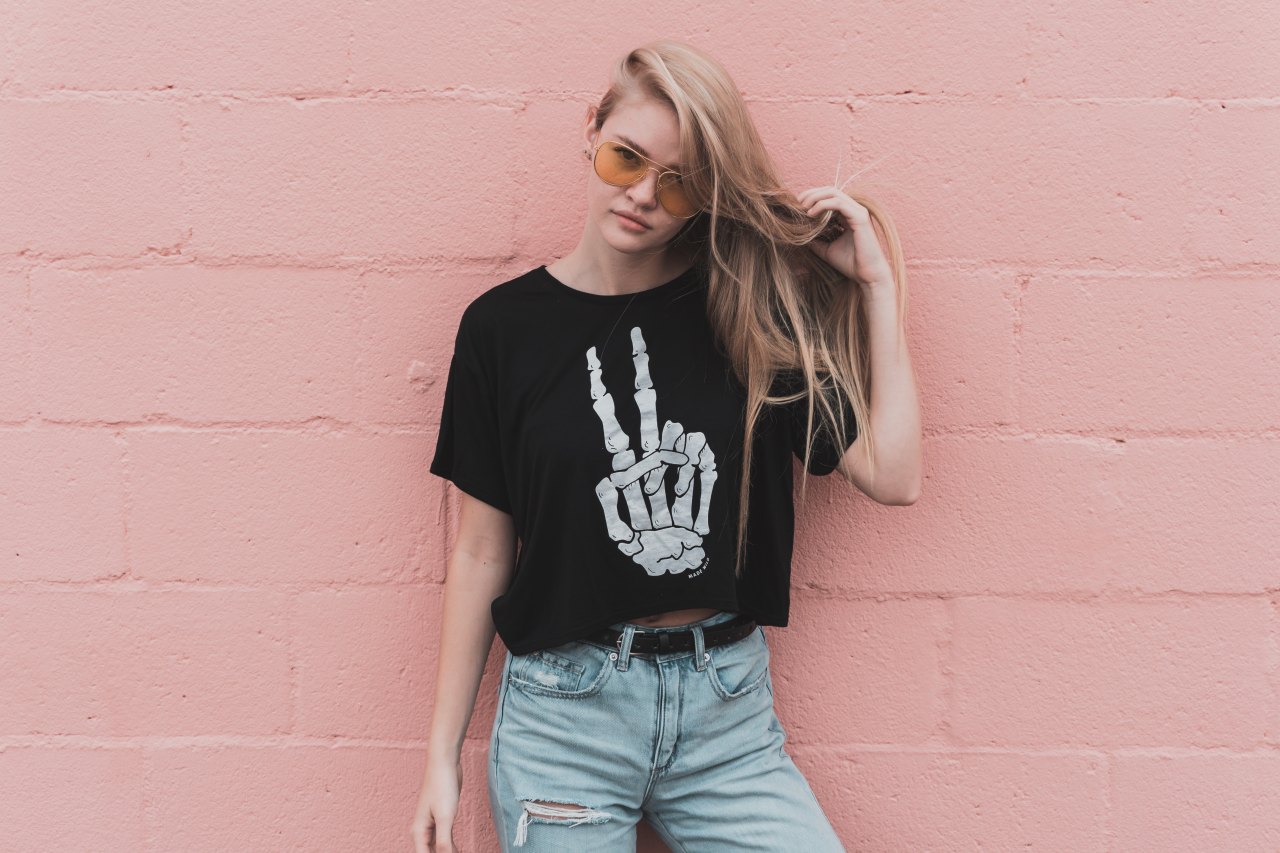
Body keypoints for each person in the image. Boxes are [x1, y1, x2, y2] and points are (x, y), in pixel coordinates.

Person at [411, 39, 922, 853]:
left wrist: (876, 287)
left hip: (727, 714)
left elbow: (895, 476)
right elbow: (480, 554)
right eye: (626, 158)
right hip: (564, 717)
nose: (644, 195)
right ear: (591, 133)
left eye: (680, 183)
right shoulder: (501, 329)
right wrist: (441, 755)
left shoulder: (748, 310)